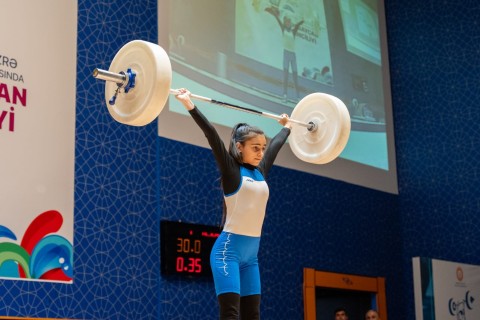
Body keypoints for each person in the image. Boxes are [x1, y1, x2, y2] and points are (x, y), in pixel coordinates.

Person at [175, 88, 292, 320]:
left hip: (251, 257)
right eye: (255, 148)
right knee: (230, 314)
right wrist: (189, 104)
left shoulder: (260, 170)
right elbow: (211, 135)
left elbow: (277, 145)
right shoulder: (231, 171)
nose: (260, 153)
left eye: (262, 148)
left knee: (253, 315)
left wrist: (287, 126)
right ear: (240, 147)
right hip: (227, 253)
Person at [265, 5, 304, 103]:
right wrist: (271, 11)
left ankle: (298, 97)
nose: (288, 23)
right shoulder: (283, 30)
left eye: (289, 22)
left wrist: (302, 21)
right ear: (285, 23)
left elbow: (298, 25)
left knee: (295, 77)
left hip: (293, 55)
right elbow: (277, 19)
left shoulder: (293, 31)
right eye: (286, 21)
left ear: (290, 23)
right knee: (286, 76)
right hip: (286, 54)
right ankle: (285, 95)